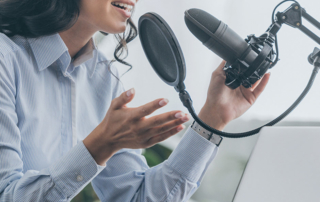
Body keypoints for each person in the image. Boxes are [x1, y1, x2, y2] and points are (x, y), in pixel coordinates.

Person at [0, 0, 270, 201]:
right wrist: (101, 145)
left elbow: (136, 197)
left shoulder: (102, 77)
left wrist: (213, 118)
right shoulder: (5, 58)